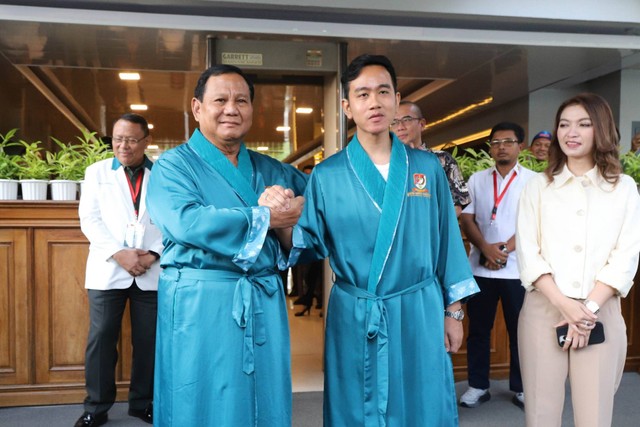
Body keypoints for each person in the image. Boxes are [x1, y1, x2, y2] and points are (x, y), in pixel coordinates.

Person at [265, 54, 479, 426]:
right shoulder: (328, 175)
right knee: (356, 401)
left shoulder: (427, 168)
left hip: (419, 307)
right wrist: (275, 218)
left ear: (396, 100)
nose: (374, 102)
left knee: (423, 398)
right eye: (362, 94)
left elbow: (447, 242)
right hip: (357, 311)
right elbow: (308, 242)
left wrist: (454, 311)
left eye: (383, 91)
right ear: (347, 107)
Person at [145, 64, 308, 426]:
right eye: (220, 99)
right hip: (200, 302)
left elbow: (317, 212)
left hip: (263, 298)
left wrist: (293, 214)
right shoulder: (173, 166)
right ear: (197, 108)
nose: (231, 109)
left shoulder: (276, 171)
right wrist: (265, 217)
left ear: (252, 109)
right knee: (199, 396)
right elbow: (188, 222)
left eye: (241, 100)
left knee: (263, 394)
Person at [516, 93, 640, 426]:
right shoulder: (537, 187)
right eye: (564, 124)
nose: (571, 132)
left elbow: (626, 255)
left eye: (584, 124)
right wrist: (567, 307)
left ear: (601, 129)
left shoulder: (624, 188)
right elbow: (529, 254)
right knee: (541, 414)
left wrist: (587, 311)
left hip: (599, 312)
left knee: (594, 417)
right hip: (545, 310)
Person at [75, 113, 162, 427]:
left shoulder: (163, 174)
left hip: (150, 270)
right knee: (101, 341)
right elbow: (90, 220)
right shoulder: (97, 172)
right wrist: (119, 254)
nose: (123, 146)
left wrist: (153, 253)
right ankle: (95, 409)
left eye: (131, 139)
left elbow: (171, 220)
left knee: (148, 342)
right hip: (108, 269)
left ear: (146, 141)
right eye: (117, 139)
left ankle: (142, 404)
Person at [459, 122, 536, 411]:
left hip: (517, 270)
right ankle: (478, 386)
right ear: (490, 147)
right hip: (481, 270)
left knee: (521, 331)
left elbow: (534, 222)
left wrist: (503, 250)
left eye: (508, 141)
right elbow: (467, 218)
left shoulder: (533, 181)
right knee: (478, 330)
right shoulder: (477, 179)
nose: (501, 146)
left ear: (520, 146)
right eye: (495, 142)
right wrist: (486, 249)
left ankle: (522, 387)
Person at [391, 100, 470, 216]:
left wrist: (430, 228)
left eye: (407, 120)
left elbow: (456, 205)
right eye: (394, 122)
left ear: (422, 124)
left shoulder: (442, 160)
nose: (400, 127)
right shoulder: (385, 162)